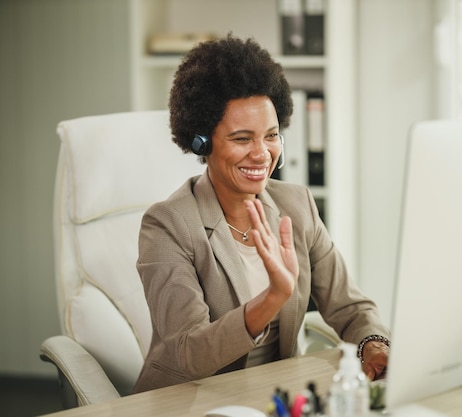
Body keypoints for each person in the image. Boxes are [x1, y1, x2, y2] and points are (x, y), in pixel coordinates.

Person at [133, 34, 390, 393]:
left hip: (274, 396)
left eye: (271, 135)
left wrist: (374, 343)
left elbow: (349, 306)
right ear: (201, 142)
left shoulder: (296, 205)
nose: (262, 154)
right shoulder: (168, 225)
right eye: (241, 139)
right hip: (191, 401)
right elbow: (190, 353)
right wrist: (272, 298)